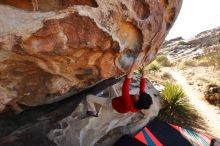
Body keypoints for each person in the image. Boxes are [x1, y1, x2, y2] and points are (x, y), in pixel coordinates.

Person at [86, 67, 153, 117]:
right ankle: (101, 101)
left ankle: (93, 112)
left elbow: (125, 87)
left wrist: (132, 69)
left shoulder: (129, 104)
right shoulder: (140, 104)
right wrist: (144, 68)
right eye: (139, 94)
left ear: (138, 102)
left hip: (112, 104)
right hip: (118, 101)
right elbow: (142, 86)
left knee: (88, 97)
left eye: (138, 96)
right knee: (111, 86)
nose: (137, 94)